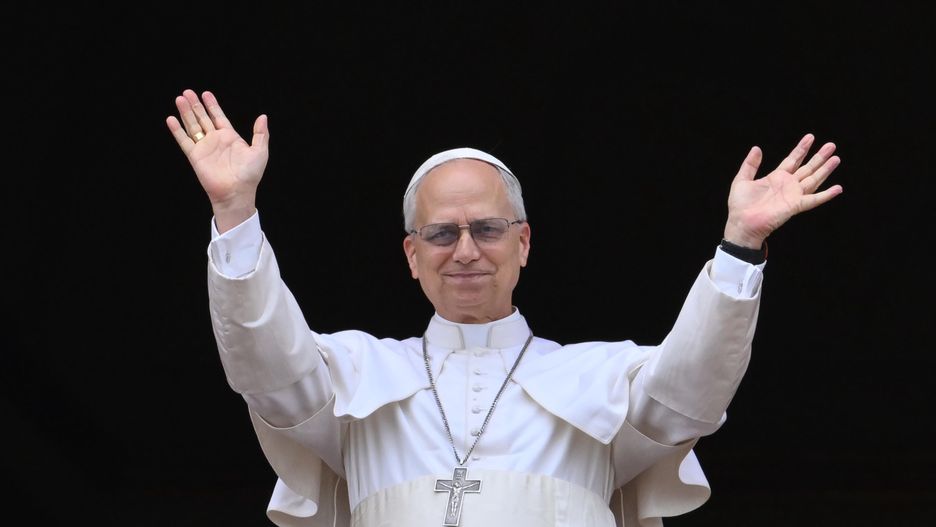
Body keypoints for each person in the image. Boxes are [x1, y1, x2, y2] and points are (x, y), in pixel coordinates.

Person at [167, 88, 842, 527]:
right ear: (410, 253)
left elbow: (690, 392)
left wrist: (741, 245)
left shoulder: (601, 376)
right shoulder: (354, 370)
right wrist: (235, 212)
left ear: (524, 243)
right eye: (441, 232)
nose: (465, 250)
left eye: (487, 229)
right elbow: (268, 371)